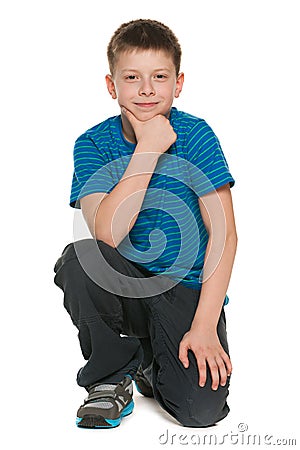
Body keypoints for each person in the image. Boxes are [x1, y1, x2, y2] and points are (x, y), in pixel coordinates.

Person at [53, 18, 238, 429]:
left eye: (159, 77)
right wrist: (149, 147)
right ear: (111, 85)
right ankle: (110, 379)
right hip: (129, 285)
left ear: (179, 82)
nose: (147, 89)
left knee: (199, 412)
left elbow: (225, 235)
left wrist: (205, 325)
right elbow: (107, 234)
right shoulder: (93, 144)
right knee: (81, 258)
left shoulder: (197, 135)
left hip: (187, 292)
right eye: (132, 77)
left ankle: (150, 364)